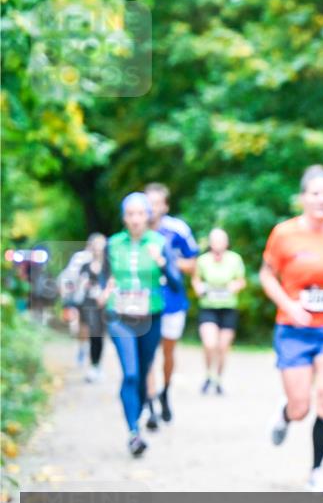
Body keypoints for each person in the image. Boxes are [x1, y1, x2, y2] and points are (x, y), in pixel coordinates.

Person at [260, 165, 323, 492]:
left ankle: (317, 471)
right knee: (300, 407)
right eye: (316, 193)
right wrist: (289, 305)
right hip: (294, 329)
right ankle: (286, 413)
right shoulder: (283, 234)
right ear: (303, 197)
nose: (322, 199)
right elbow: (266, 275)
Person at [98, 192, 181, 457]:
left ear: (148, 216)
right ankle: (134, 433)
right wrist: (103, 291)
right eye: (130, 214)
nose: (135, 219)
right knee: (131, 373)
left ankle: (141, 410)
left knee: (144, 370)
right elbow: (104, 278)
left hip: (150, 315)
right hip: (119, 315)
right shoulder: (113, 244)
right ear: (124, 217)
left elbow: (177, 284)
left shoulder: (159, 242)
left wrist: (162, 263)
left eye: (140, 214)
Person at [144, 182, 199, 428]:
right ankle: (150, 404)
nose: (152, 209)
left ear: (165, 206)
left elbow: (192, 264)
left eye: (156, 203)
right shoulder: (137, 231)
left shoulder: (178, 230)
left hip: (173, 302)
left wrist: (166, 262)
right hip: (145, 303)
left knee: (168, 352)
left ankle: (165, 391)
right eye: (148, 203)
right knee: (147, 354)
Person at [192, 228, 246, 395]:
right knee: (210, 344)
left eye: (221, 241)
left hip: (228, 308)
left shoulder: (235, 259)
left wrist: (235, 286)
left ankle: (219, 379)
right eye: (215, 241)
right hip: (208, 307)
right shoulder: (202, 260)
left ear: (226, 243)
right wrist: (198, 288)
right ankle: (209, 374)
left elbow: (241, 281)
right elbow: (196, 279)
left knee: (223, 347)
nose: (218, 244)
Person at [58, 233, 106, 376]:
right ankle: (83, 348)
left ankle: (95, 363)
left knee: (97, 333)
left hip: (101, 302)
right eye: (96, 244)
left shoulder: (108, 261)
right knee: (84, 328)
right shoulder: (81, 259)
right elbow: (69, 277)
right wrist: (68, 294)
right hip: (84, 299)